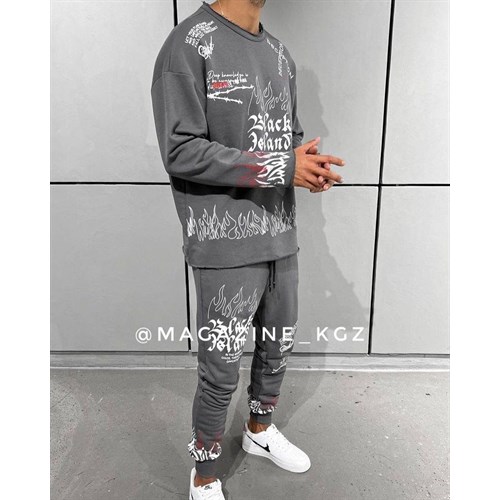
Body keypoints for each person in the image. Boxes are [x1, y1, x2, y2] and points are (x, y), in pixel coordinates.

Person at [151, 1, 345, 498]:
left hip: (280, 232)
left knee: (276, 345)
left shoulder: (279, 53)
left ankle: (259, 431)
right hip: (224, 243)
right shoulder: (188, 45)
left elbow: (288, 139)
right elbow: (180, 150)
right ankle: (204, 476)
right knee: (220, 371)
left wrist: (307, 166)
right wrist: (282, 167)